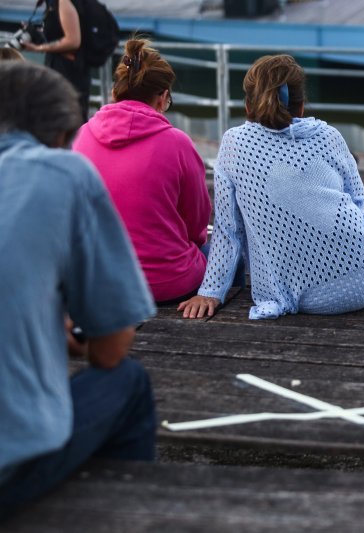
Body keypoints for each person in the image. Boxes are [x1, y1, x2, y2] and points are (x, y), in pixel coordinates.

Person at [0, 61, 156, 518]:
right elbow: (110, 348)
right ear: (62, 136)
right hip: (11, 464)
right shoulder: (63, 172)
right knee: (128, 381)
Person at [179, 54, 364, 320]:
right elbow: (358, 201)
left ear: (248, 106)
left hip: (301, 295)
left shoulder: (234, 144)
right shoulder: (328, 136)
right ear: (302, 106)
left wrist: (211, 291)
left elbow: (228, 229)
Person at [73, 39, 212, 304]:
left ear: (115, 92)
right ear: (162, 97)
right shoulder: (178, 143)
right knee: (229, 257)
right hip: (167, 282)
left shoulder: (81, 137)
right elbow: (197, 225)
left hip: (98, 282)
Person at [23, 0, 91, 121]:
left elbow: (73, 41)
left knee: (68, 118)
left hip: (68, 72)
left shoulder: (64, 2)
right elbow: (57, 36)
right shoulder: (52, 5)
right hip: (59, 70)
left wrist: (38, 48)